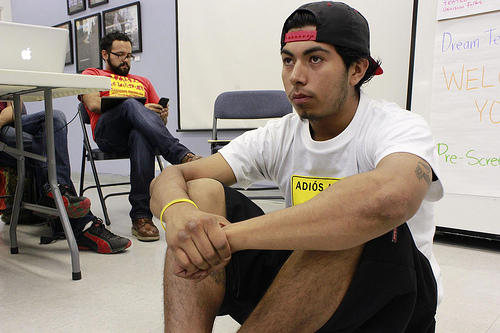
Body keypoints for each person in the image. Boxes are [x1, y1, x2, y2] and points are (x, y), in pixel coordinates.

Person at [150, 2, 444, 332]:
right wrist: (177, 214)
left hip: (393, 300)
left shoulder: (398, 126)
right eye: (288, 60)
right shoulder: (280, 133)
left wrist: (226, 238)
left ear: (357, 70)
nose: (295, 76)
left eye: (314, 59)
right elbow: (174, 175)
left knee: (350, 223)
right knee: (199, 192)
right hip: (308, 285)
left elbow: (391, 198)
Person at [80, 31, 201, 243]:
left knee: (141, 134)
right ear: (105, 54)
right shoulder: (92, 74)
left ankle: (141, 218)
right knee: (129, 104)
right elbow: (93, 104)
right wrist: (138, 107)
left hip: (136, 135)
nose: (125, 60)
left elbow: (157, 125)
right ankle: (181, 156)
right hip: (108, 134)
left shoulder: (143, 81)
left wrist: (161, 115)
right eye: (120, 55)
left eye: (129, 56)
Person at [0, 101, 131, 254]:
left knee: (55, 117)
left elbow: (17, 107)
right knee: (50, 149)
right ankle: (83, 224)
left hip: (8, 124)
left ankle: (57, 191)